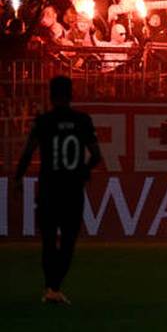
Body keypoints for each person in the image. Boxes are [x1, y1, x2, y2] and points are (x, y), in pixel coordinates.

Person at [13, 76, 103, 305]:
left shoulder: (43, 121)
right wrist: (82, 170)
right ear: (71, 94)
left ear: (51, 96)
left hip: (48, 188)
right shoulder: (82, 120)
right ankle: (55, 287)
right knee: (68, 241)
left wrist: (18, 178)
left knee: (48, 240)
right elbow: (96, 155)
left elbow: (27, 152)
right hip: (72, 189)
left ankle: (49, 288)